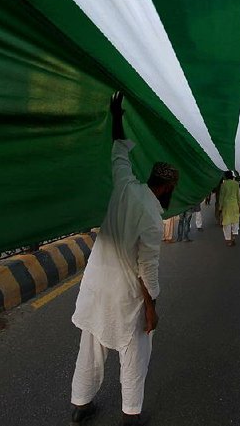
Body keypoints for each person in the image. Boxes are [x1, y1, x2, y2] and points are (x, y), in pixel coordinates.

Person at [71, 92, 179, 425]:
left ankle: (80, 404)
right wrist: (152, 306)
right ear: (165, 188)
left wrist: (116, 113)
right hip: (124, 297)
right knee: (136, 352)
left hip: (95, 285)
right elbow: (147, 268)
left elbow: (119, 151)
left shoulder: (124, 186)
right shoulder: (151, 217)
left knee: (90, 346)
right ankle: (131, 415)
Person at [218, 171, 240, 246]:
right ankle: (233, 237)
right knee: (235, 221)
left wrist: (220, 207)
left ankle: (228, 240)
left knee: (227, 223)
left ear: (225, 176)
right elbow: (239, 195)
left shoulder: (223, 185)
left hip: (226, 206)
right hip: (234, 205)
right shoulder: (236, 184)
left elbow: (221, 197)